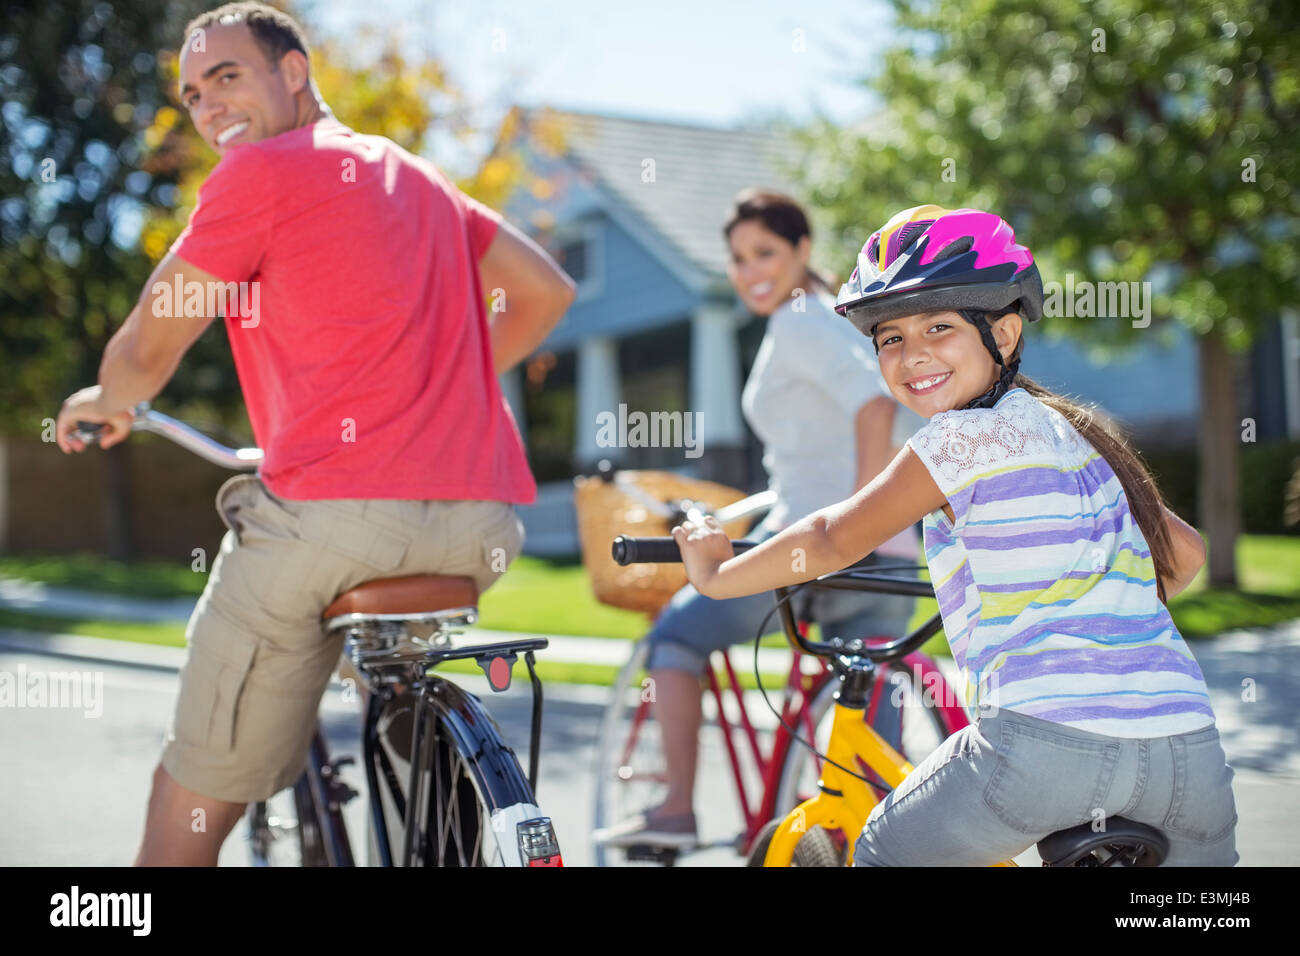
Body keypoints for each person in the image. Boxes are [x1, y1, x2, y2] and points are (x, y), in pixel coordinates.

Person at [54, 1, 576, 866]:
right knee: (394, 708)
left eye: (227, 76)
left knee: (193, 785)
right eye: (191, 94)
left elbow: (154, 338)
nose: (208, 106)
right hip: (480, 523)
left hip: (333, 519)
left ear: (294, 70)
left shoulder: (262, 174)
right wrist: (436, 387)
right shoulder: (418, 175)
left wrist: (108, 398)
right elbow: (547, 292)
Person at [671, 204, 1238, 866]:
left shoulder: (958, 437)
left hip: (1040, 744)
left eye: (939, 327)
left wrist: (714, 573)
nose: (913, 356)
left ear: (1003, 329)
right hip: (1188, 750)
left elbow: (829, 539)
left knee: (882, 848)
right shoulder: (1082, 435)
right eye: (889, 339)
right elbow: (1185, 556)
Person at [594, 189, 925, 850]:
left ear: (803, 250)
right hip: (891, 549)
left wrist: (853, 521)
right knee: (868, 697)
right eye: (739, 258)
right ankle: (885, 845)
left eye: (766, 252)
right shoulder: (842, 316)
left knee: (677, 637)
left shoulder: (799, 319)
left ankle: (676, 811)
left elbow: (874, 409)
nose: (751, 271)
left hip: (822, 546)